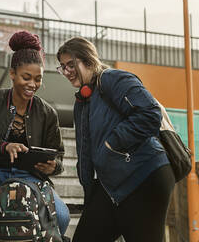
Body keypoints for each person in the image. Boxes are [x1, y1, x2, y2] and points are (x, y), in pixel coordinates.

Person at [56, 37, 175, 242]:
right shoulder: (82, 102)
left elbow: (150, 113)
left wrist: (113, 143)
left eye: (71, 65)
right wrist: (89, 194)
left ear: (89, 61)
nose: (66, 71)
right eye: (62, 67)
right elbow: (85, 154)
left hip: (144, 176)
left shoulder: (113, 79)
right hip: (112, 185)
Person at [0, 30, 70, 242]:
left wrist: (52, 166)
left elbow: (59, 157)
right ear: (12, 74)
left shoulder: (47, 113)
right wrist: (4, 146)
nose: (32, 84)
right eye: (26, 77)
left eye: (38, 79)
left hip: (30, 180)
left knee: (63, 218)